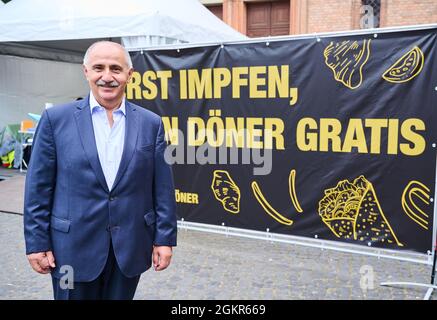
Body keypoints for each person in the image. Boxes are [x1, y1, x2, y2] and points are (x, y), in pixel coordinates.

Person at [23, 41, 177, 300]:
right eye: (99, 68)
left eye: (116, 68)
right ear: (86, 71)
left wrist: (164, 239)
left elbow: (162, 187)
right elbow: (38, 189)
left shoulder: (151, 124)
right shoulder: (56, 121)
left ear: (129, 75)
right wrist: (37, 243)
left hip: (128, 250)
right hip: (69, 252)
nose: (107, 77)